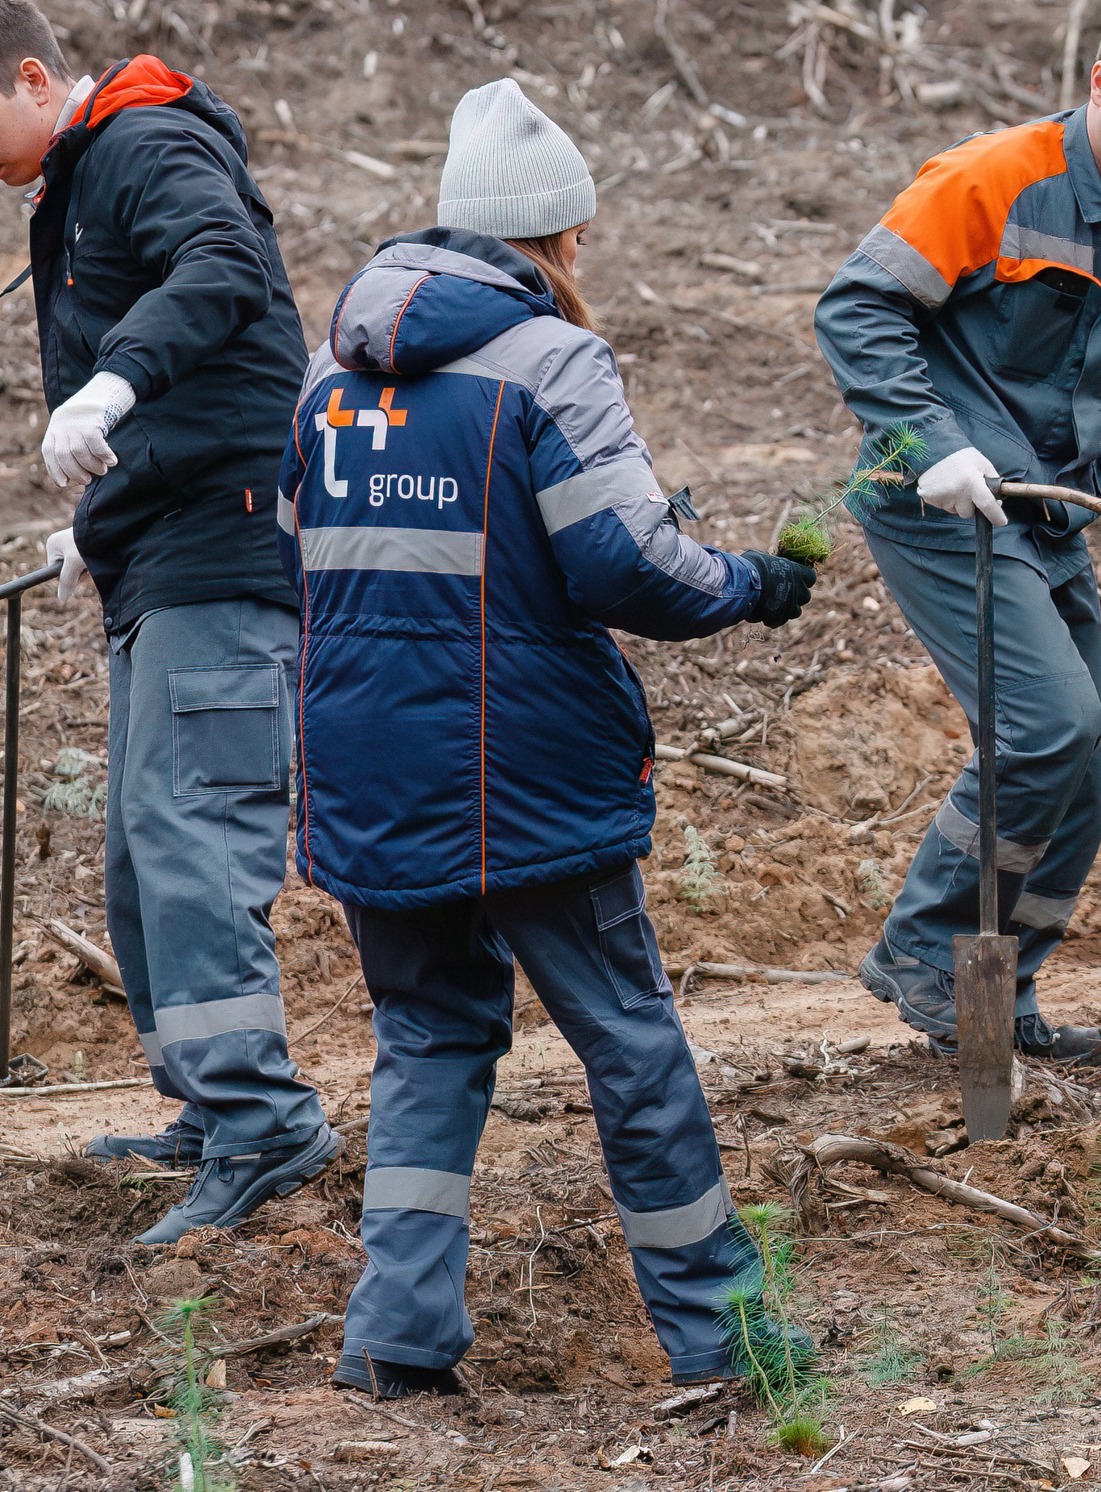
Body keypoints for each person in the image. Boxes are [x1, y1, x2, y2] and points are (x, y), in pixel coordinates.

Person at [281, 79, 818, 1397]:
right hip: (524, 778)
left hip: (368, 772)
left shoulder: (328, 373)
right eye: (579, 235)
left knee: (427, 1038)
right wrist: (752, 581)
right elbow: (627, 562)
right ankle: (724, 1338)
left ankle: (395, 1339)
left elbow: (293, 560)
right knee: (631, 1042)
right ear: (556, 236)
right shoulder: (548, 362)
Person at [0, 0, 337, 1244]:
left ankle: (264, 1122)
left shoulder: (145, 144)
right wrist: (98, 522)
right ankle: (210, 1103)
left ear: (39, 82)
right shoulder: (84, 178)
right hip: (162, 548)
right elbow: (193, 383)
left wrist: (111, 384)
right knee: (147, 847)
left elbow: (224, 268)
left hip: (224, 548)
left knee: (195, 836)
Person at [816, 0, 1101, 1066]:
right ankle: (926, 954)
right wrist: (932, 441)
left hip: (1049, 515)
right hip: (939, 501)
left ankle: (998, 1003)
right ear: (1100, 83)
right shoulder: (992, 179)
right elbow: (856, 307)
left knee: (1081, 775)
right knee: (1047, 730)